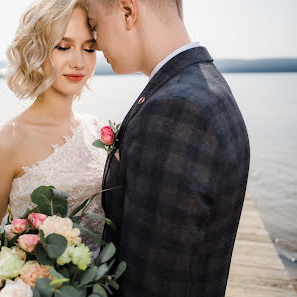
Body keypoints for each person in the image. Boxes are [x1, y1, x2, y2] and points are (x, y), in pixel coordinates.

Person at [87, 0, 250, 296]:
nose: (95, 45)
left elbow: (153, 283)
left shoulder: (176, 110)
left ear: (127, 11)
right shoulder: (204, 85)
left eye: (95, 25)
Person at [0, 0, 106, 257]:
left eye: (89, 48)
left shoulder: (96, 128)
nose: (79, 62)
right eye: (63, 46)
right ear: (35, 50)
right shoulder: (3, 142)